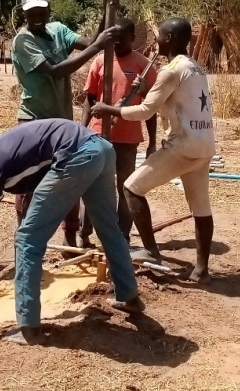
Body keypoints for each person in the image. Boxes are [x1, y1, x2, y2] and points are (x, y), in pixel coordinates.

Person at [0, 118, 144, 344]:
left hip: (77, 153)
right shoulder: (2, 151)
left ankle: (28, 327)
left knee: (26, 239)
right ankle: (129, 296)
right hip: (100, 149)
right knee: (109, 229)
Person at [92, 18, 216, 283]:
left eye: (159, 35)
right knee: (201, 207)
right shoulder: (195, 67)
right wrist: (146, 89)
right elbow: (166, 100)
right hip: (204, 145)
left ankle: (150, 250)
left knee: (130, 187)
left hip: (182, 147)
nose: (156, 41)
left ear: (169, 38)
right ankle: (201, 268)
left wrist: (109, 109)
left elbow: (145, 111)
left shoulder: (170, 71)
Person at [11, 0, 121, 247]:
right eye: (31, 12)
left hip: (61, 121)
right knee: (29, 181)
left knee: (72, 177)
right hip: (34, 119)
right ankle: (24, 237)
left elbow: (91, 43)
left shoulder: (59, 30)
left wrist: (106, 13)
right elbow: (56, 71)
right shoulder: (23, 40)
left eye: (41, 10)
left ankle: (70, 238)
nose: (37, 16)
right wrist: (97, 48)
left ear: (49, 9)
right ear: (24, 14)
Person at [80, 16, 157, 246]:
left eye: (122, 38)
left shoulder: (143, 66)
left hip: (128, 138)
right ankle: (84, 234)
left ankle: (122, 236)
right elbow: (90, 98)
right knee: (93, 186)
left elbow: (151, 107)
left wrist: (152, 142)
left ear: (133, 38)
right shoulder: (100, 62)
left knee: (125, 188)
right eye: (113, 38)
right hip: (98, 135)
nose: (116, 43)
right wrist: (81, 131)